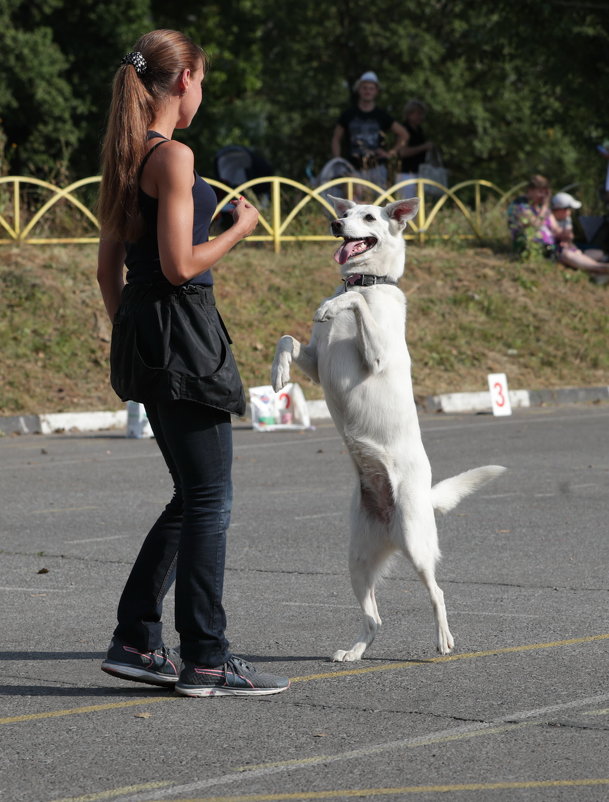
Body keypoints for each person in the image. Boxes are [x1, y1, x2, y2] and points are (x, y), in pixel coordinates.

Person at [96, 29, 290, 698]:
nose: (200, 92)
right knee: (211, 498)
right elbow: (181, 265)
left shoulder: (123, 156)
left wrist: (134, 333)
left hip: (146, 334)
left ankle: (134, 638)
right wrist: (236, 229)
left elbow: (108, 269)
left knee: (192, 494)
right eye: (200, 81)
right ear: (183, 83)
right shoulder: (173, 157)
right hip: (183, 333)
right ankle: (205, 657)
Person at [331, 71, 408, 189]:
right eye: (364, 88)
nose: (368, 91)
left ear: (376, 91)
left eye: (371, 88)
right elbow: (336, 138)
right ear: (359, 90)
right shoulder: (348, 114)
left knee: (378, 204)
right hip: (353, 168)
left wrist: (390, 153)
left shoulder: (381, 115)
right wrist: (338, 161)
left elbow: (404, 134)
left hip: (378, 169)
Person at [548, 192, 609, 281]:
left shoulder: (566, 219)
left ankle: (593, 267)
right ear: (561, 209)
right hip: (561, 252)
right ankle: (600, 268)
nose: (570, 212)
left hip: (572, 249)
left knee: (599, 253)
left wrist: (570, 243)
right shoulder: (548, 219)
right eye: (568, 209)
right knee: (570, 255)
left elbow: (569, 237)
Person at [507, 174, 555, 258]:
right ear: (530, 190)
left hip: (549, 246)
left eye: (545, 192)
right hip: (528, 246)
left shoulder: (540, 206)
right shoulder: (520, 204)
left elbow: (556, 228)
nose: (543, 196)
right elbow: (535, 225)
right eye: (540, 192)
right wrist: (544, 207)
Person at [396, 99, 434, 199]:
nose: (420, 117)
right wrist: (423, 147)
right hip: (406, 174)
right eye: (417, 113)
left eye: (421, 114)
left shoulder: (419, 130)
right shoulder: (404, 129)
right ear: (409, 114)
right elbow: (402, 152)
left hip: (420, 173)